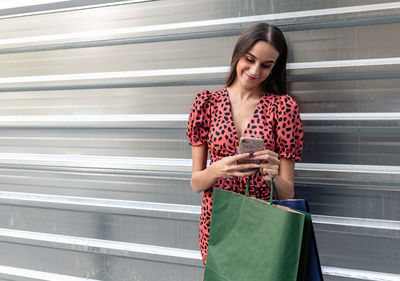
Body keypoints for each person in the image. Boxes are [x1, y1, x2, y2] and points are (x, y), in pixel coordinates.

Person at [186, 23, 304, 265]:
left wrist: (272, 177)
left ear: (275, 68)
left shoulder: (282, 108)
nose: (254, 70)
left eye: (266, 65)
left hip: (264, 220)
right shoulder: (207, 103)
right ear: (238, 54)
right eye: (249, 59)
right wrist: (218, 169)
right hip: (218, 221)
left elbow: (288, 191)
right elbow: (196, 183)